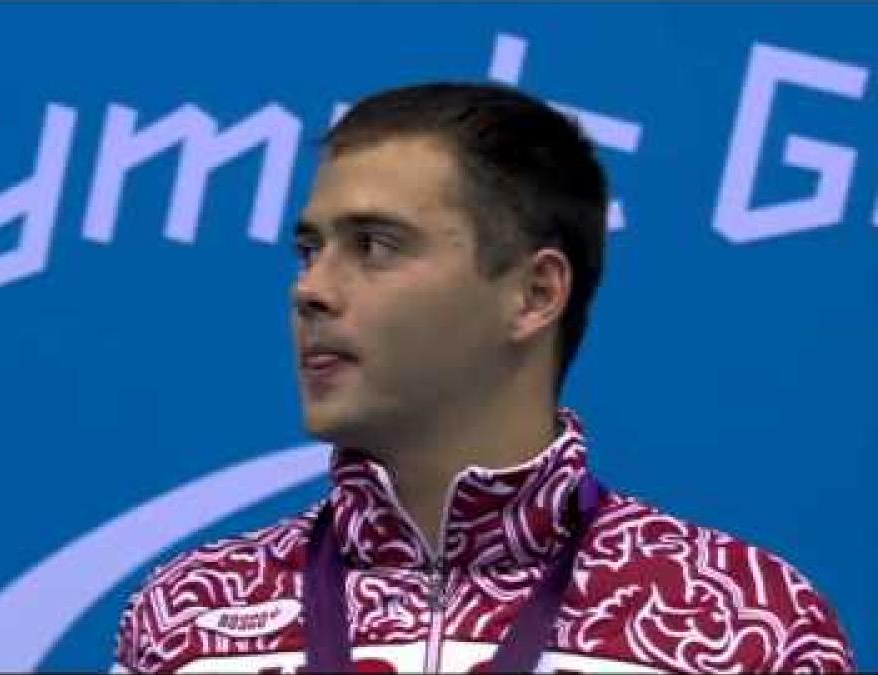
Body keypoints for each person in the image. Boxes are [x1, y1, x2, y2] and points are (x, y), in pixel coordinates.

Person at [111, 83, 854, 674]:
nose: (309, 289)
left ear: (534, 294)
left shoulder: (750, 622)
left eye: (373, 244)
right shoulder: (186, 619)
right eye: (310, 249)